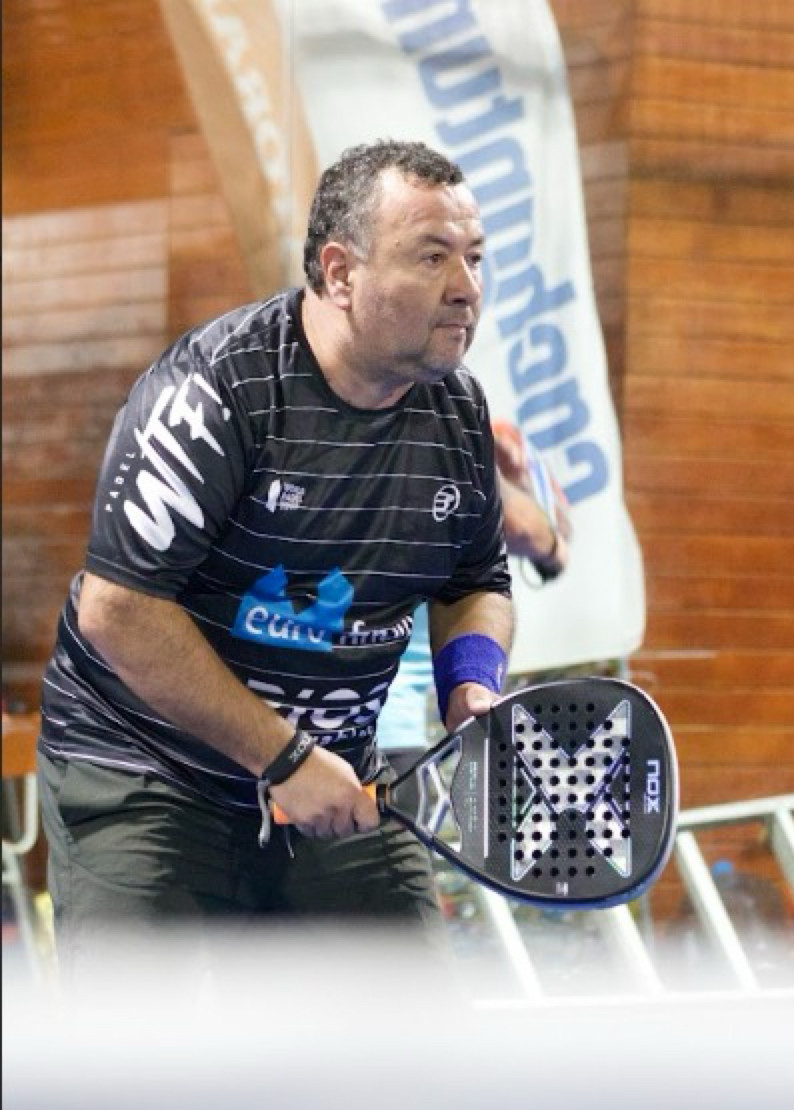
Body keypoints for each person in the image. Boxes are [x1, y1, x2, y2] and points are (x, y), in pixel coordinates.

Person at [36, 140, 514, 986]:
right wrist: (283, 758)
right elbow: (118, 610)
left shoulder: (458, 410)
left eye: (474, 258)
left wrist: (470, 683)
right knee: (138, 1059)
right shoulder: (216, 389)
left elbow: (475, 581)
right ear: (340, 273)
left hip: (339, 782)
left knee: (421, 1045)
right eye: (432, 257)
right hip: (150, 774)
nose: (466, 288)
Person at [378, 422, 572, 777]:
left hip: (337, 726)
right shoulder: (440, 430)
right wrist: (553, 545)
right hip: (385, 726)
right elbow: (526, 530)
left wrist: (515, 478)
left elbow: (544, 536)